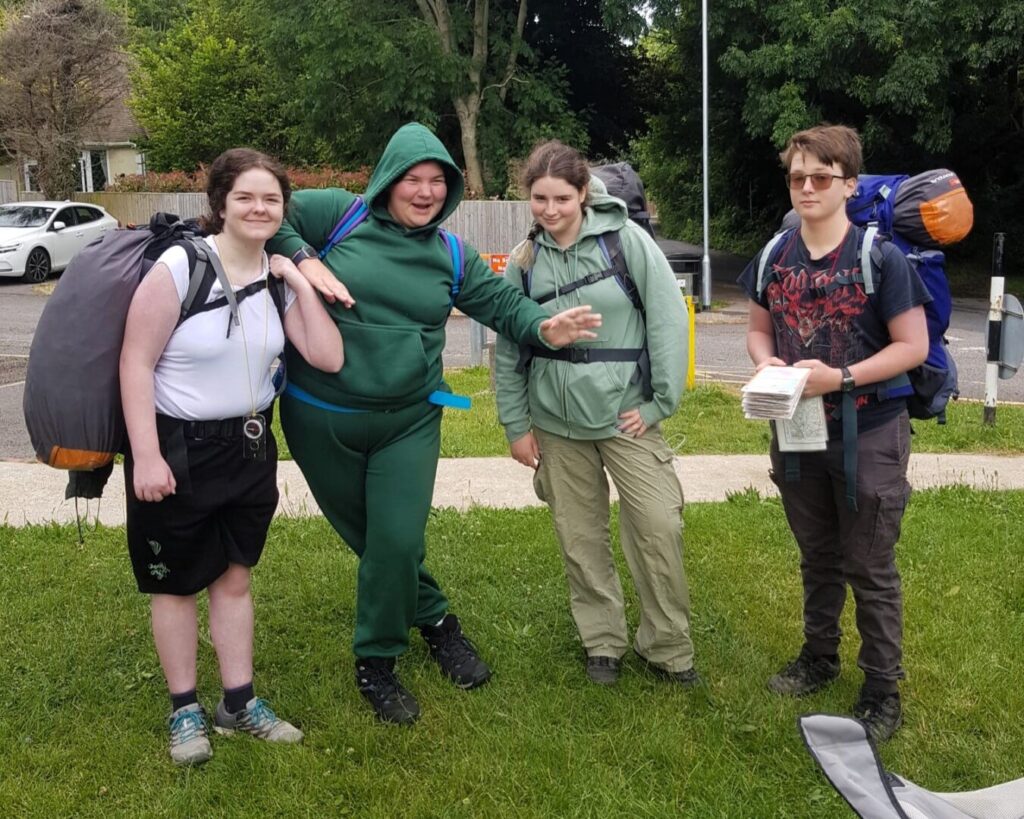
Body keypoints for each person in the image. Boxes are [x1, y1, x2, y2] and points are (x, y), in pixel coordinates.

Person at [267, 122, 601, 725]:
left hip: (409, 422)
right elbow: (266, 214)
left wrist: (544, 327)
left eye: (437, 182)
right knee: (374, 544)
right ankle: (440, 621)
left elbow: (502, 305)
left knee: (393, 540)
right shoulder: (336, 216)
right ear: (388, 181)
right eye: (412, 180)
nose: (424, 192)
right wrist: (301, 258)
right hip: (322, 419)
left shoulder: (450, 253)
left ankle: (377, 660)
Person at [120, 148, 343, 765]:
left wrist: (296, 275)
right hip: (177, 448)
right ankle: (184, 709)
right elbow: (135, 363)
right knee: (176, 586)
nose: (258, 208)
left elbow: (327, 356)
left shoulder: (275, 280)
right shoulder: (179, 266)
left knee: (235, 576)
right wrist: (145, 456)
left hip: (249, 446)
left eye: (271, 198)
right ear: (219, 203)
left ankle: (238, 703)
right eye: (245, 196)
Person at [737, 124, 930, 742]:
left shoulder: (880, 258)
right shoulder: (775, 254)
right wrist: (765, 362)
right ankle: (819, 657)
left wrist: (839, 378)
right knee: (817, 555)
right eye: (798, 177)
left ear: (849, 184)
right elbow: (758, 329)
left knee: (869, 563)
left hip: (868, 430)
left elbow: (913, 347)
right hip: (795, 428)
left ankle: (882, 688)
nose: (807, 187)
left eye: (822, 176)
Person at [494, 140, 700, 689]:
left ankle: (668, 645)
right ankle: (602, 641)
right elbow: (511, 346)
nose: (550, 209)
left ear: (584, 193)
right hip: (556, 426)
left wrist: (659, 402)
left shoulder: (625, 242)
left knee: (658, 526)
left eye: (562, 197)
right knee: (580, 537)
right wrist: (516, 426)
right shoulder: (525, 260)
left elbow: (667, 321)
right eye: (539, 198)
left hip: (624, 417)